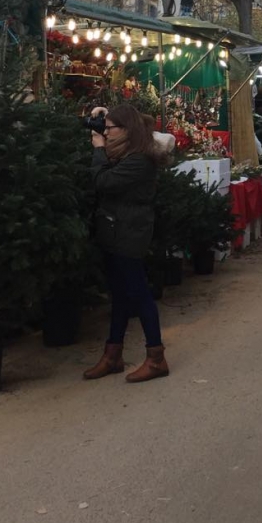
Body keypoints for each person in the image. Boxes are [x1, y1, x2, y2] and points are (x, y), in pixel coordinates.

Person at [84, 104, 170, 384]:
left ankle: (156, 358)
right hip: (114, 229)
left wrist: (98, 149)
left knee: (139, 293)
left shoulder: (140, 159)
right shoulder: (127, 149)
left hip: (129, 233)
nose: (105, 133)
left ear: (126, 130)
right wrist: (101, 114)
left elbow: (103, 181)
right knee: (119, 294)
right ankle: (113, 355)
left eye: (110, 128)